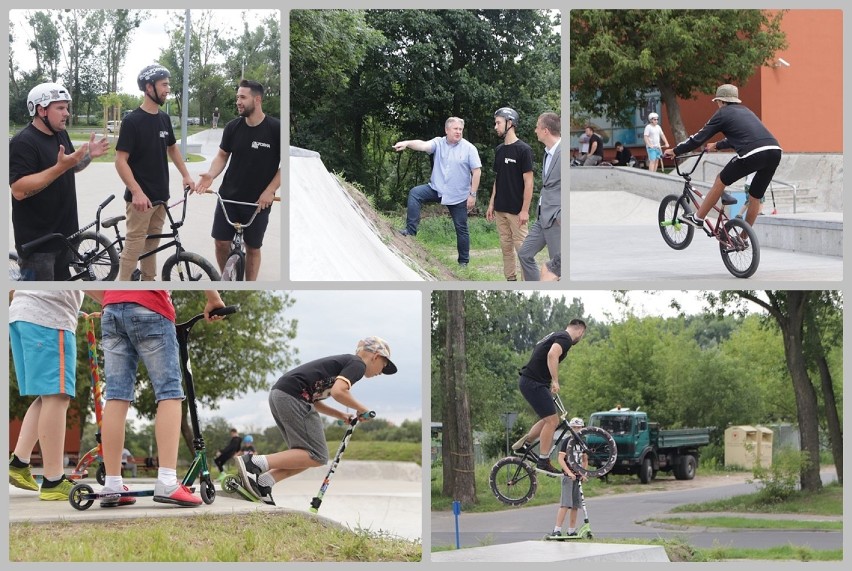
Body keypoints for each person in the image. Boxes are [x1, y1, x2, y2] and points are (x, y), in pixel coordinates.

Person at [96, 290, 225, 508]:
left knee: (116, 395)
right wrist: (214, 299)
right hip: (151, 308)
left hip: (111, 310)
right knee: (170, 393)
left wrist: (116, 299)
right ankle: (166, 480)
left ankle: (112, 483)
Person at [234, 337, 398, 504]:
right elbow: (339, 392)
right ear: (376, 356)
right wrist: (362, 409)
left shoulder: (348, 364)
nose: (380, 373)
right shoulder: (358, 364)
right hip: (293, 396)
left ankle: (263, 483)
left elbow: (315, 400)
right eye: (383, 367)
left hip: (282, 394)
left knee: (306, 455)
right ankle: (253, 462)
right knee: (318, 455)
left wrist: (340, 415)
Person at [9, 83, 110, 280]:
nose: (67, 113)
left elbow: (71, 167)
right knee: (41, 300)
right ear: (41, 110)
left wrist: (89, 155)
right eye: (60, 108)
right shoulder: (23, 142)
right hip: (39, 245)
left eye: (67, 108)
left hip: (66, 237)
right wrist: (59, 168)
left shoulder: (60, 134)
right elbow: (18, 190)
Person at [664, 84, 782, 232]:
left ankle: (698, 218)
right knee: (755, 197)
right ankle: (744, 239)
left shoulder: (722, 113)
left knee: (721, 180)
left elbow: (698, 139)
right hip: (774, 151)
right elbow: (744, 137)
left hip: (753, 153)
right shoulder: (746, 111)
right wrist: (718, 145)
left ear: (720, 101)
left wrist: (675, 151)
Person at [115, 65, 195, 280]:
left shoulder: (163, 119)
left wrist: (186, 175)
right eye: (164, 84)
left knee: (152, 246)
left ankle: (148, 284)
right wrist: (136, 192)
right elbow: (120, 160)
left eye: (168, 84)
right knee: (133, 248)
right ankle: (122, 291)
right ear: (149, 87)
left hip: (161, 197)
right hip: (140, 199)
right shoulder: (132, 121)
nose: (168, 89)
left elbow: (172, 148)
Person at [195, 79, 281, 281]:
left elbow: (286, 166)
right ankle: (229, 280)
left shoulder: (276, 129)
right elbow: (222, 156)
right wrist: (211, 174)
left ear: (257, 99)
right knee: (220, 242)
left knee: (253, 248)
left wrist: (270, 191)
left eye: (243, 97)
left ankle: (249, 286)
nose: (238, 102)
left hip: (258, 202)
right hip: (229, 198)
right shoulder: (233, 127)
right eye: (237, 98)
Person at [8, 290, 87, 500]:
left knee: (48, 394)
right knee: (58, 395)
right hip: (49, 318)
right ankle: (53, 479)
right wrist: (113, 303)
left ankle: (19, 461)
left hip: (22, 313)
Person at [393, 117, 482, 268]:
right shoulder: (438, 143)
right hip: (437, 189)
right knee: (415, 193)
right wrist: (407, 143)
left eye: (460, 129)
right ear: (447, 130)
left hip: (458, 196)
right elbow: (422, 145)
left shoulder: (469, 148)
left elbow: (477, 172)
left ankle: (463, 262)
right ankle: (410, 231)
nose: (458, 132)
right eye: (455, 129)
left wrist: (472, 195)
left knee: (461, 228)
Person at [512, 319, 587, 474]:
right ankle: (543, 460)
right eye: (582, 335)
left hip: (533, 382)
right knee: (553, 421)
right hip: (534, 383)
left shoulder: (555, 335)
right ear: (580, 331)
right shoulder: (565, 338)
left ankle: (524, 444)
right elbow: (552, 355)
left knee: (548, 419)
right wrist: (555, 380)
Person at [487, 107, 533, 281]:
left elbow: (529, 182)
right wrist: (491, 204)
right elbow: (498, 179)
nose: (495, 126)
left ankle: (527, 283)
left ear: (510, 123)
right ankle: (510, 280)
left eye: (498, 122)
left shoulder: (524, 150)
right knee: (506, 248)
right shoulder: (499, 150)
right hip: (500, 209)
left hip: (517, 211)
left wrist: (525, 210)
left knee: (523, 251)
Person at [519, 112, 561, 281]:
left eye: (537, 126)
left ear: (545, 130)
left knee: (557, 268)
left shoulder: (562, 152)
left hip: (556, 218)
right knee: (524, 254)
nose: (535, 129)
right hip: (542, 216)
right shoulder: (547, 152)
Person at [549, 417, 588, 538]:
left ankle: (571, 530)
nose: (577, 430)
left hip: (577, 476)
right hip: (568, 476)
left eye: (579, 427)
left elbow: (585, 459)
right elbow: (560, 459)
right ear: (570, 428)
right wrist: (568, 472)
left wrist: (583, 473)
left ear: (582, 428)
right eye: (574, 428)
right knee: (565, 504)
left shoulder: (583, 442)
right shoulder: (567, 441)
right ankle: (557, 529)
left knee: (575, 505)